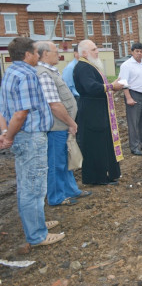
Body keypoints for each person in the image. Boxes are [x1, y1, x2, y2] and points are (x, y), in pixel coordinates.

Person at [0, 37, 64, 246]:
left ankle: (36, 222)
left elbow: (3, 109)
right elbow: (20, 114)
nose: (39, 56)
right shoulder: (28, 75)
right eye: (36, 52)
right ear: (27, 54)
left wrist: (4, 132)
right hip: (31, 137)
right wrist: (8, 137)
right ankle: (37, 234)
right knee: (34, 187)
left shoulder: (10, 72)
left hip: (21, 136)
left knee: (27, 183)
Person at [35, 41, 92, 206]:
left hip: (63, 124)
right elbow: (54, 104)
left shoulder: (51, 71)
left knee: (66, 159)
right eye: (55, 51)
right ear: (45, 54)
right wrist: (70, 122)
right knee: (56, 162)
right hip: (56, 126)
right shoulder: (43, 74)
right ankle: (56, 197)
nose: (58, 54)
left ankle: (70, 189)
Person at [73, 40, 124, 185]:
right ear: (84, 53)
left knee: (104, 142)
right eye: (94, 49)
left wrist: (110, 88)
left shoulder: (90, 65)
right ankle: (98, 178)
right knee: (95, 144)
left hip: (99, 108)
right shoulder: (83, 67)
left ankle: (108, 173)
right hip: (91, 111)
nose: (97, 52)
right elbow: (91, 87)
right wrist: (110, 86)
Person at [119, 42, 142, 156]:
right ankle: (134, 147)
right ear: (132, 52)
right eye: (137, 51)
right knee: (134, 122)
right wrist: (128, 98)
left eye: (141, 51)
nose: (139, 54)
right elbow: (123, 83)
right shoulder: (126, 65)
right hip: (133, 95)